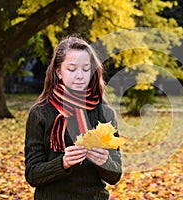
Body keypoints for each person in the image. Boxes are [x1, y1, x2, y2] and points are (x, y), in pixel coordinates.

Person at [25, 36, 122, 200]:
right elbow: (32, 175)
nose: (80, 76)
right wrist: (63, 163)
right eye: (72, 69)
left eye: (86, 69)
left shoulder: (104, 112)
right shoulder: (40, 113)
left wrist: (105, 161)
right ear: (58, 72)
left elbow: (115, 176)